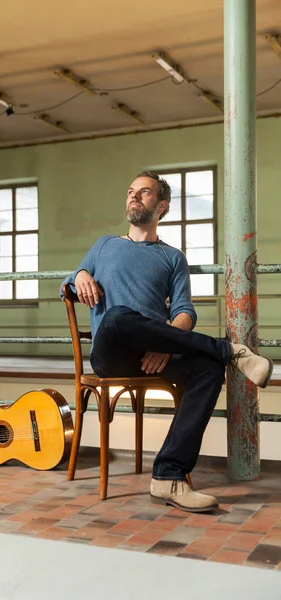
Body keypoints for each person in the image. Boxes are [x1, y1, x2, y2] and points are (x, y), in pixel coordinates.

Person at [60, 170, 273, 513]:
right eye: (130, 191)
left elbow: (185, 312)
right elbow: (68, 285)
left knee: (207, 369)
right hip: (112, 352)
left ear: (161, 206)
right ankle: (231, 350)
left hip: (158, 353)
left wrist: (168, 345)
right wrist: (79, 274)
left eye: (142, 192)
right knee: (117, 316)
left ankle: (168, 475)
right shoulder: (104, 245)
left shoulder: (173, 257)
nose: (133, 196)